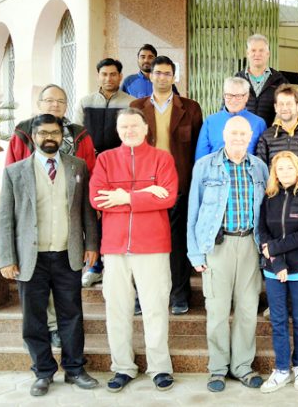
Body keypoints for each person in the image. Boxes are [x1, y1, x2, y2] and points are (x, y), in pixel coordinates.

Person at [0, 113, 99, 397]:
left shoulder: (77, 166)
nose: (49, 137)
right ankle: (42, 372)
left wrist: (92, 244)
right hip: (32, 259)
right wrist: (6, 257)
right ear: (33, 136)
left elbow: (87, 212)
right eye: (43, 133)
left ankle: (75, 369)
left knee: (72, 315)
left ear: (60, 135)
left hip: (68, 254)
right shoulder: (15, 172)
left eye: (54, 132)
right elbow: (5, 217)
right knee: (34, 319)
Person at [89, 108, 178, 393]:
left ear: (145, 128)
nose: (129, 131)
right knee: (117, 309)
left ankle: (160, 367)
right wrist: (148, 193)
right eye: (124, 127)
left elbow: (168, 198)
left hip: (152, 245)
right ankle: (123, 367)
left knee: (154, 309)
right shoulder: (105, 159)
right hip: (114, 247)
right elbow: (97, 199)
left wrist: (124, 196)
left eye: (134, 126)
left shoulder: (162, 158)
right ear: (118, 131)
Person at [5, 84, 97, 347]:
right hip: (32, 222)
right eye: (49, 100)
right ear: (39, 103)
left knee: (66, 291)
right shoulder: (24, 132)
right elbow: (12, 175)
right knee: (36, 288)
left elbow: (89, 172)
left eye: (60, 101)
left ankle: (60, 331)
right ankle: (42, 334)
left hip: (68, 222)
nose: (55, 105)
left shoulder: (78, 134)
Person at [188, 116, 269, 392]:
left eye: (243, 134)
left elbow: (267, 211)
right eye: (233, 132)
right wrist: (195, 253)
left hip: (250, 244)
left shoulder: (259, 167)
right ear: (224, 134)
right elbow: (193, 212)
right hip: (217, 245)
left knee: (248, 309)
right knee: (218, 310)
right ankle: (218, 369)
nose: (238, 138)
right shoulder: (205, 166)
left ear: (250, 137)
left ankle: (243, 367)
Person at [131, 55, 203, 315]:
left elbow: (197, 149)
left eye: (167, 73)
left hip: (179, 185)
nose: (162, 77)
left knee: (177, 243)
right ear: (150, 75)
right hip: (145, 188)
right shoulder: (136, 106)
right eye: (157, 73)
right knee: (145, 245)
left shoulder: (191, 108)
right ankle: (142, 296)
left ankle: (179, 295)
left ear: (174, 77)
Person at [259, 151, 298, 393]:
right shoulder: (269, 197)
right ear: (274, 173)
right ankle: (282, 368)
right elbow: (263, 232)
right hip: (274, 269)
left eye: (289, 168)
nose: (284, 172)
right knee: (278, 320)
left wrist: (274, 249)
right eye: (280, 169)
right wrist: (277, 262)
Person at [74, 57, 135, 288]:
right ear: (98, 76)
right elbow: (78, 136)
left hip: (120, 168)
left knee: (117, 213)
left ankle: (116, 262)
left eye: (113, 74)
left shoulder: (131, 102)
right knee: (93, 215)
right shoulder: (85, 102)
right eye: (104, 74)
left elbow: (133, 134)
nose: (108, 78)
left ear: (120, 76)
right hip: (91, 167)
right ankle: (94, 265)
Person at [256, 84, 298, 188]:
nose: (285, 108)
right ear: (275, 107)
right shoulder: (266, 136)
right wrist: (275, 186)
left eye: (289, 104)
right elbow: (260, 167)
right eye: (281, 104)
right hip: (275, 195)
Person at [195, 77, 266, 161]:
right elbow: (201, 158)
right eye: (229, 95)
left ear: (246, 97)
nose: (233, 100)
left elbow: (261, 159)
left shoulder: (259, 123)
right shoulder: (210, 121)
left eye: (238, 96)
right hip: (214, 172)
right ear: (224, 96)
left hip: (247, 171)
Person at [235, 34, 288, 127]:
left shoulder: (279, 80)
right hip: (242, 136)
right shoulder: (237, 79)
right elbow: (226, 109)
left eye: (261, 50)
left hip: (270, 137)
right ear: (247, 54)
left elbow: (288, 110)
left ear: (268, 54)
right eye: (253, 50)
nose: (257, 54)